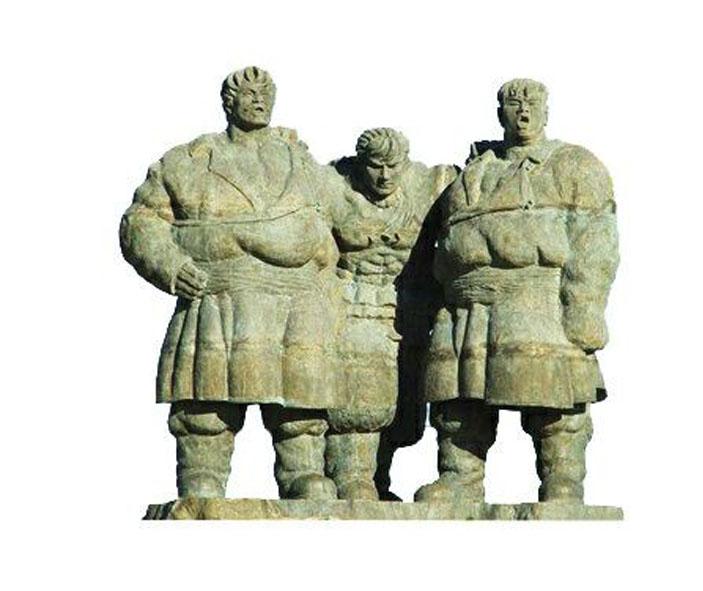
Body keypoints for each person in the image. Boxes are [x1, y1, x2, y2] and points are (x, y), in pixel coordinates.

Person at [120, 66, 343, 501]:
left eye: (266, 93)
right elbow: (141, 221)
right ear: (228, 102)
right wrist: (171, 265)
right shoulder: (190, 160)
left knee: (299, 405)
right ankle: (202, 474)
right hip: (220, 293)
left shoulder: (303, 162)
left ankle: (301, 474)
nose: (259, 100)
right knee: (207, 404)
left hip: (294, 296)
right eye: (249, 93)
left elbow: (349, 214)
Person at [416, 79, 619, 504]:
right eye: (513, 105)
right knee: (459, 404)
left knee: (554, 402)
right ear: (500, 114)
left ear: (546, 111)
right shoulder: (475, 171)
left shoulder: (574, 165)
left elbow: (596, 242)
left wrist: (584, 307)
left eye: (532, 104)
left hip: (536, 297)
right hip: (468, 303)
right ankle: (460, 478)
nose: (523, 112)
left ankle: (562, 480)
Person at [325, 128, 458, 500]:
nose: (384, 176)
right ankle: (353, 479)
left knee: (405, 407)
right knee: (359, 404)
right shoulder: (333, 184)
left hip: (410, 310)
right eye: (375, 166)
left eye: (393, 166)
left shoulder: (431, 185)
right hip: (355, 305)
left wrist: (490, 154)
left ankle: (379, 480)